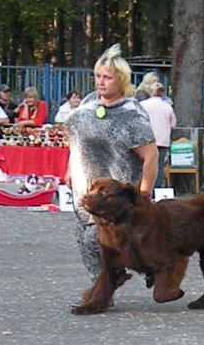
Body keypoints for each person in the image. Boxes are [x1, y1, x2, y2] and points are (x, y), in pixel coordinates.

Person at [64, 44, 158, 280]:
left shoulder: (131, 114)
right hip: (87, 185)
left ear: (121, 80)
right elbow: (77, 142)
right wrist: (69, 170)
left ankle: (154, 270)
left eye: (107, 77)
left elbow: (151, 155)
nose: (101, 82)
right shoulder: (86, 107)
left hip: (119, 191)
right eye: (98, 76)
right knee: (87, 238)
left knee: (129, 238)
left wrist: (144, 192)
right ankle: (106, 281)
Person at [138, 81, 176, 190]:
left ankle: (144, 189)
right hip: (163, 140)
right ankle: (157, 189)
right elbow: (173, 124)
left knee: (145, 165)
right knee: (159, 166)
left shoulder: (143, 105)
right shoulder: (167, 107)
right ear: (162, 93)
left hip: (146, 140)